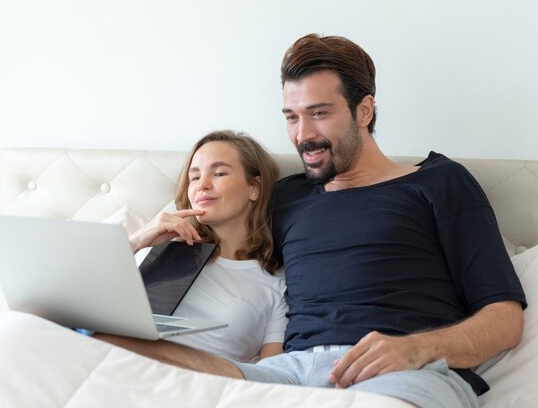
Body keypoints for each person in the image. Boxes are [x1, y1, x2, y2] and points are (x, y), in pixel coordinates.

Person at [99, 35, 527, 408]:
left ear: (364, 110)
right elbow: (216, 213)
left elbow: (504, 319)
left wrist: (417, 349)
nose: (303, 134)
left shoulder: (438, 182)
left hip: (404, 375)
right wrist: (144, 237)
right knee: (99, 344)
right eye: (291, 116)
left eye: (319, 113)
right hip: (288, 374)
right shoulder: (286, 196)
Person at [96, 130, 287, 363]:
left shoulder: (276, 284)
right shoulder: (158, 253)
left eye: (218, 173)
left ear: (253, 188)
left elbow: (273, 374)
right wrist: (137, 241)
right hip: (112, 364)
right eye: (194, 177)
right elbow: (71, 304)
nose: (202, 185)